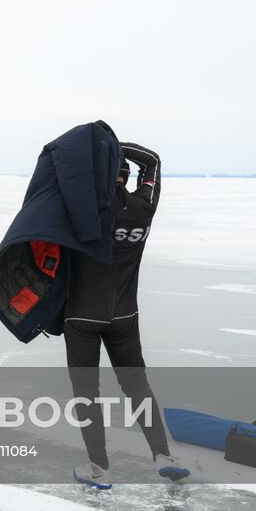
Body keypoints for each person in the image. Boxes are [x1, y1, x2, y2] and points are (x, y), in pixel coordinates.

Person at [64, 142, 189, 488]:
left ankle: (98, 468)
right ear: (126, 175)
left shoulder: (86, 210)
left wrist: (97, 149)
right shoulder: (144, 207)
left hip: (81, 316)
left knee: (87, 392)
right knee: (137, 385)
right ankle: (162, 454)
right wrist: (116, 147)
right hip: (123, 315)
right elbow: (153, 161)